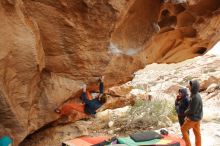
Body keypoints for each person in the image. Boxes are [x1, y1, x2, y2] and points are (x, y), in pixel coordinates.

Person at [181, 80, 203, 146]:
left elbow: (191, 110)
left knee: (183, 129)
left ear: (193, 87)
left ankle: (188, 144)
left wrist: (185, 112)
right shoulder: (196, 94)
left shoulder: (195, 97)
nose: (189, 87)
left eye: (190, 86)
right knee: (197, 133)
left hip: (193, 118)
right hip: (198, 118)